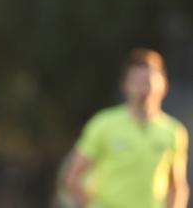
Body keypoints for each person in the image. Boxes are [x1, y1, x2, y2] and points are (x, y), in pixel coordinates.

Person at [64, 48, 189, 208]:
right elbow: (73, 177)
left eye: (149, 80)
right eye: (137, 81)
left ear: (164, 85)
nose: (144, 87)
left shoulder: (173, 131)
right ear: (125, 86)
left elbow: (177, 187)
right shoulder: (103, 124)